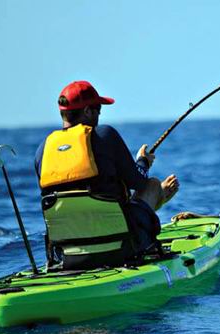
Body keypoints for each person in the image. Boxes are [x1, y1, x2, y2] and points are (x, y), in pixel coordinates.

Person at [34, 80, 179, 267]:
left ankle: (149, 208)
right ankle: (153, 206)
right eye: (98, 110)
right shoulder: (105, 135)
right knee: (152, 185)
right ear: (87, 111)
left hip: (68, 255)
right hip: (121, 247)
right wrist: (142, 162)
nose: (99, 115)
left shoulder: (42, 150)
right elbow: (139, 181)